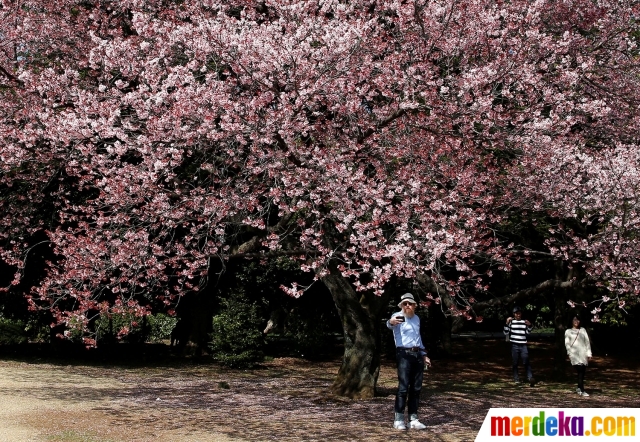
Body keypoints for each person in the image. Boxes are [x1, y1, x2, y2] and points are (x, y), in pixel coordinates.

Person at [387, 293, 431, 431]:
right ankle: (399, 419)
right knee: (403, 387)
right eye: (405, 303)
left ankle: (413, 418)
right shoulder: (397, 316)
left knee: (416, 388)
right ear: (401, 305)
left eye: (410, 304)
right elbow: (389, 324)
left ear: (414, 306)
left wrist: (424, 354)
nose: (407, 306)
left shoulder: (416, 318)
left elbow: (418, 337)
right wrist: (391, 322)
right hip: (404, 354)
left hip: (417, 354)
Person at [504, 306, 535, 386]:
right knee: (515, 362)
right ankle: (516, 378)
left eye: (519, 313)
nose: (518, 315)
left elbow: (528, 332)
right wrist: (507, 323)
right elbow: (505, 332)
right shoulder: (511, 322)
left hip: (523, 344)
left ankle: (530, 377)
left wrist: (530, 325)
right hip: (514, 344)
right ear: (514, 314)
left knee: (526, 361)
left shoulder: (524, 322)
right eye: (517, 314)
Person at [564, 314, 592, 397]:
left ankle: (579, 388)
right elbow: (567, 343)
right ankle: (582, 390)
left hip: (583, 353)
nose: (576, 321)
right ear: (571, 321)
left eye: (578, 320)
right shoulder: (568, 331)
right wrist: (569, 353)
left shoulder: (583, 330)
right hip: (574, 354)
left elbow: (587, 342)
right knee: (580, 371)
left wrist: (589, 353)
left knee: (582, 372)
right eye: (574, 320)